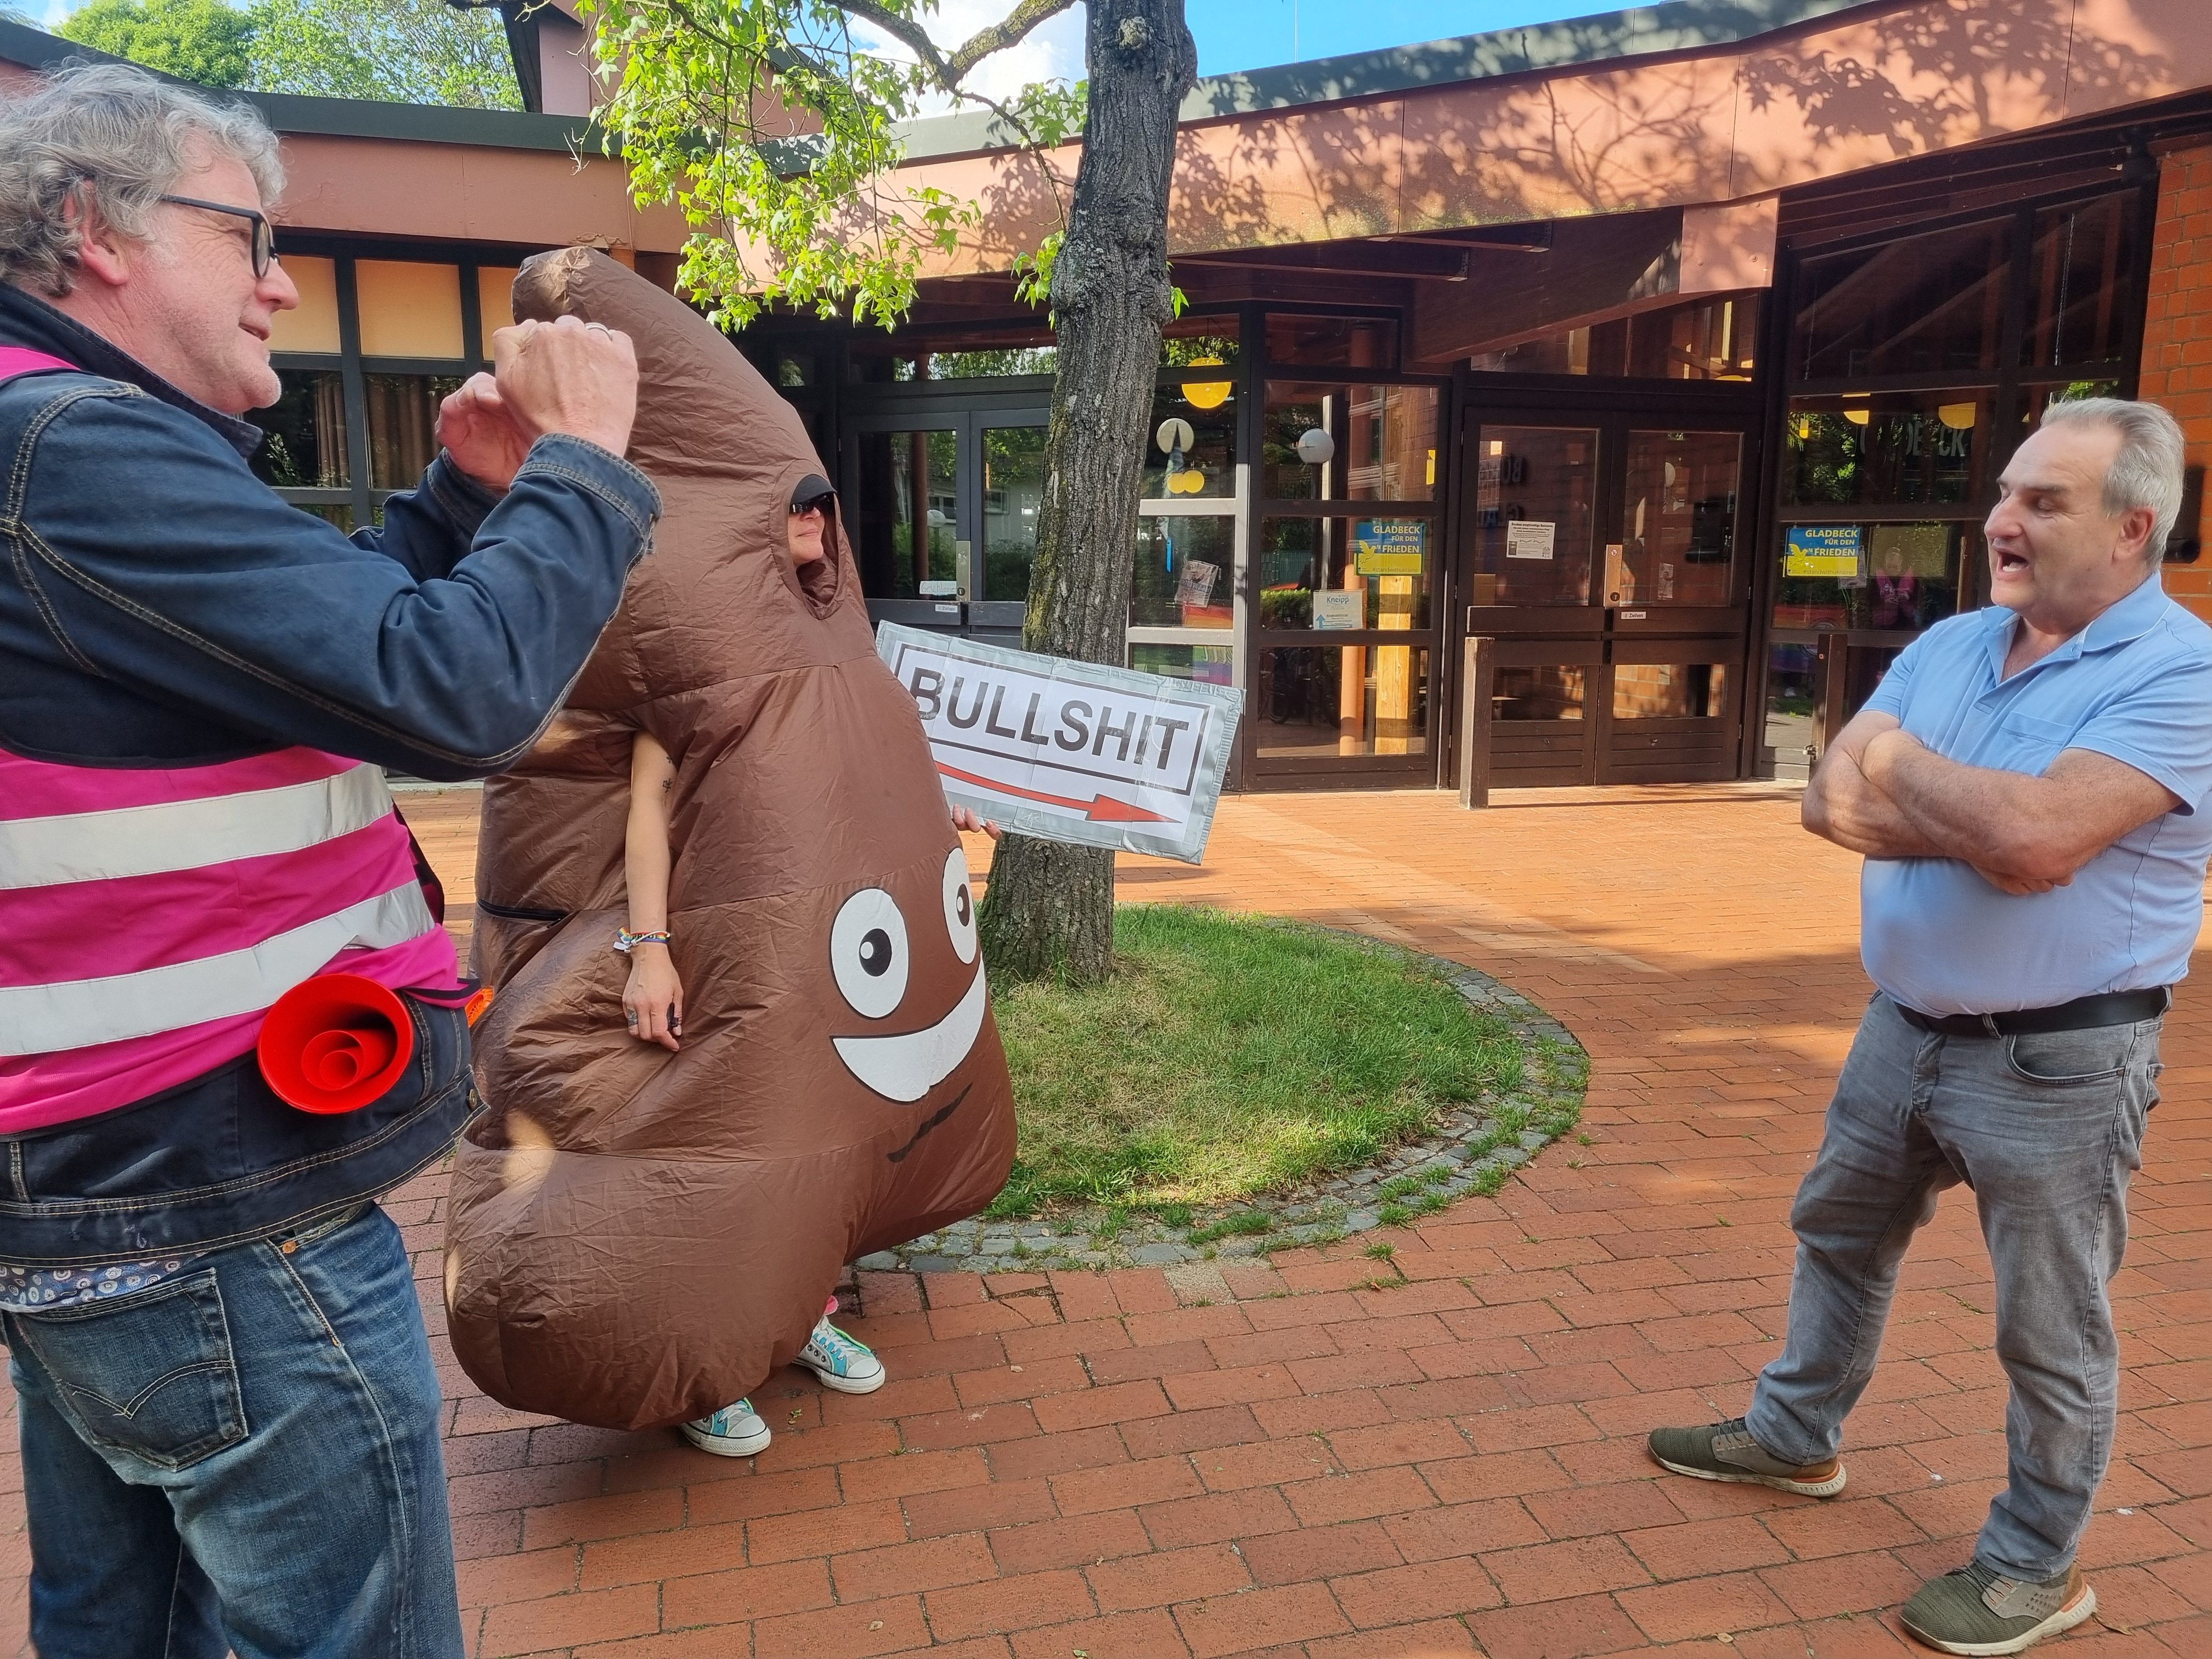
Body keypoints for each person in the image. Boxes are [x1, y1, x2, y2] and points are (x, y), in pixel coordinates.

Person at [0, 65, 657, 1659]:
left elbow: (306, 656)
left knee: (128, 1630)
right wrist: (584, 466)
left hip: (112, 1199)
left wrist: (456, 501)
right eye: (249, 235)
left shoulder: (62, 444)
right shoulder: (73, 446)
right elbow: (453, 693)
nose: (284, 281)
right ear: (97, 229)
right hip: (218, 1216)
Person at [1649, 397, 2209, 1657]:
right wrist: (1984, 821)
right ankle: (1795, 1438)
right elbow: (1821, 804)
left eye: (2043, 503)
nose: (2001, 524)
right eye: (2006, 494)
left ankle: (2034, 1566)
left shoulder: (2186, 674)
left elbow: (2035, 836)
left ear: (2134, 529)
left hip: (2063, 1058)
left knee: (2049, 1327)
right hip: (1901, 1025)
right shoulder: (1958, 640)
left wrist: (1903, 767)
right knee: (1838, 1233)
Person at [614, 477, 895, 1460]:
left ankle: (798, 1312)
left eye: (825, 499)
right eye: (791, 502)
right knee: (721, 1146)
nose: (815, 513)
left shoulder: (843, 647)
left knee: (808, 1136)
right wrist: (649, 951)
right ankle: (709, 1363)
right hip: (721, 941)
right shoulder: (699, 645)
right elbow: (647, 808)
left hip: (821, 942)